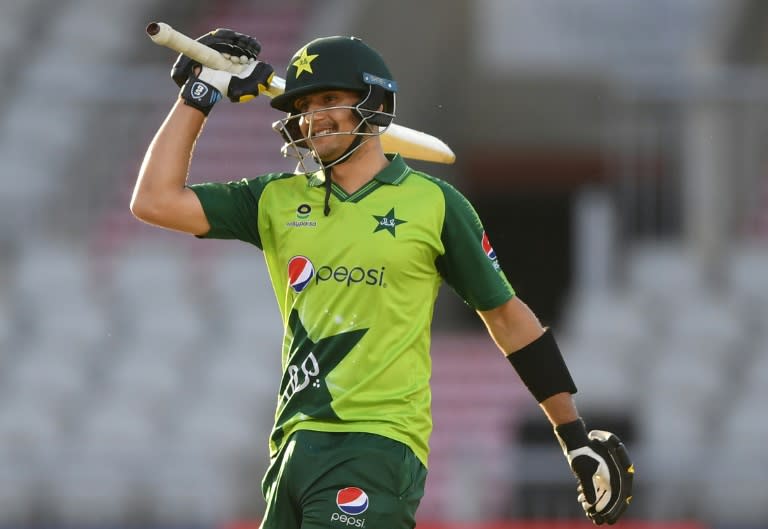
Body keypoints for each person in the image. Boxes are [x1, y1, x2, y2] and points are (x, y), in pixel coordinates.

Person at [131, 29, 633, 528]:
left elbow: (505, 314)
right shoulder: (275, 198)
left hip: (376, 446)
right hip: (291, 448)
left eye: (330, 99)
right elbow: (154, 201)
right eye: (303, 104)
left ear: (372, 102)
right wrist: (199, 95)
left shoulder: (434, 204)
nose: (313, 116)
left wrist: (574, 435)